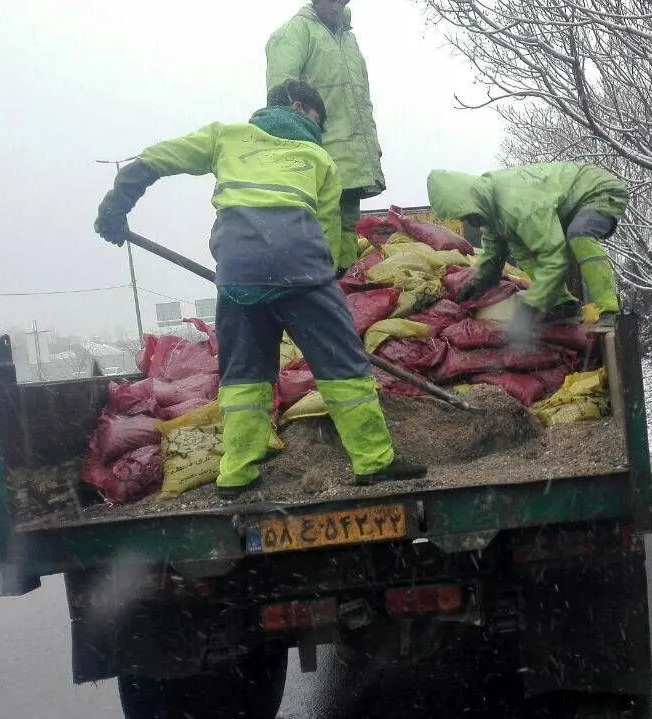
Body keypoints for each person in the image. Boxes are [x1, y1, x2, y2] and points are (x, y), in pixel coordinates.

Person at [93, 80, 424, 499]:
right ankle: (374, 461)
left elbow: (155, 160)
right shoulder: (318, 158)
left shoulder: (225, 137)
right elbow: (324, 234)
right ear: (299, 107)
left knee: (244, 376)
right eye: (317, 121)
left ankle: (237, 472)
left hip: (239, 275)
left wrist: (115, 207)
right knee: (343, 366)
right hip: (303, 273)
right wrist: (325, 289)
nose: (318, 132)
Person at [427, 163, 628, 336]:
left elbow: (554, 255)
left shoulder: (518, 205)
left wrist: (532, 305)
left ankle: (609, 307)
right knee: (522, 250)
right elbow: (494, 253)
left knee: (579, 235)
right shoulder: (493, 214)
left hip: (596, 190)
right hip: (567, 205)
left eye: (468, 214)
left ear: (474, 200)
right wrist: (479, 282)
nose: (469, 221)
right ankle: (563, 304)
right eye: (463, 218)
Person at [266, 0, 385, 274]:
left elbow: (360, 101)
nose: (337, 4)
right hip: (318, 156)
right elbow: (281, 100)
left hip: (353, 160)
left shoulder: (349, 39)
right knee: (320, 233)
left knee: (346, 228)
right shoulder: (294, 33)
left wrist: (370, 152)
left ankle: (343, 292)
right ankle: (321, 293)